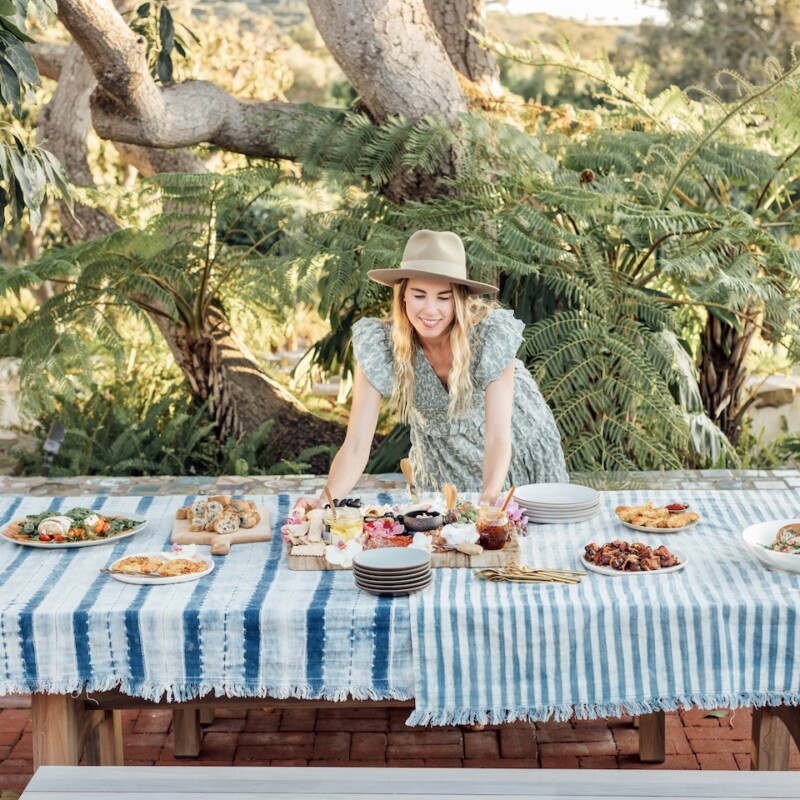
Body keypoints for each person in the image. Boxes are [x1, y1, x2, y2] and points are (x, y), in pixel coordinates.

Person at [309, 229, 568, 507]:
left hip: (514, 440)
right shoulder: (381, 346)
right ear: (403, 295)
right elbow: (357, 445)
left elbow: (497, 437)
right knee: (444, 535)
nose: (430, 310)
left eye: (443, 298)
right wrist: (324, 500)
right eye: (419, 295)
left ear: (458, 299)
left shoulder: (489, 336)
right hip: (441, 458)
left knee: (519, 530)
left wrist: (490, 500)